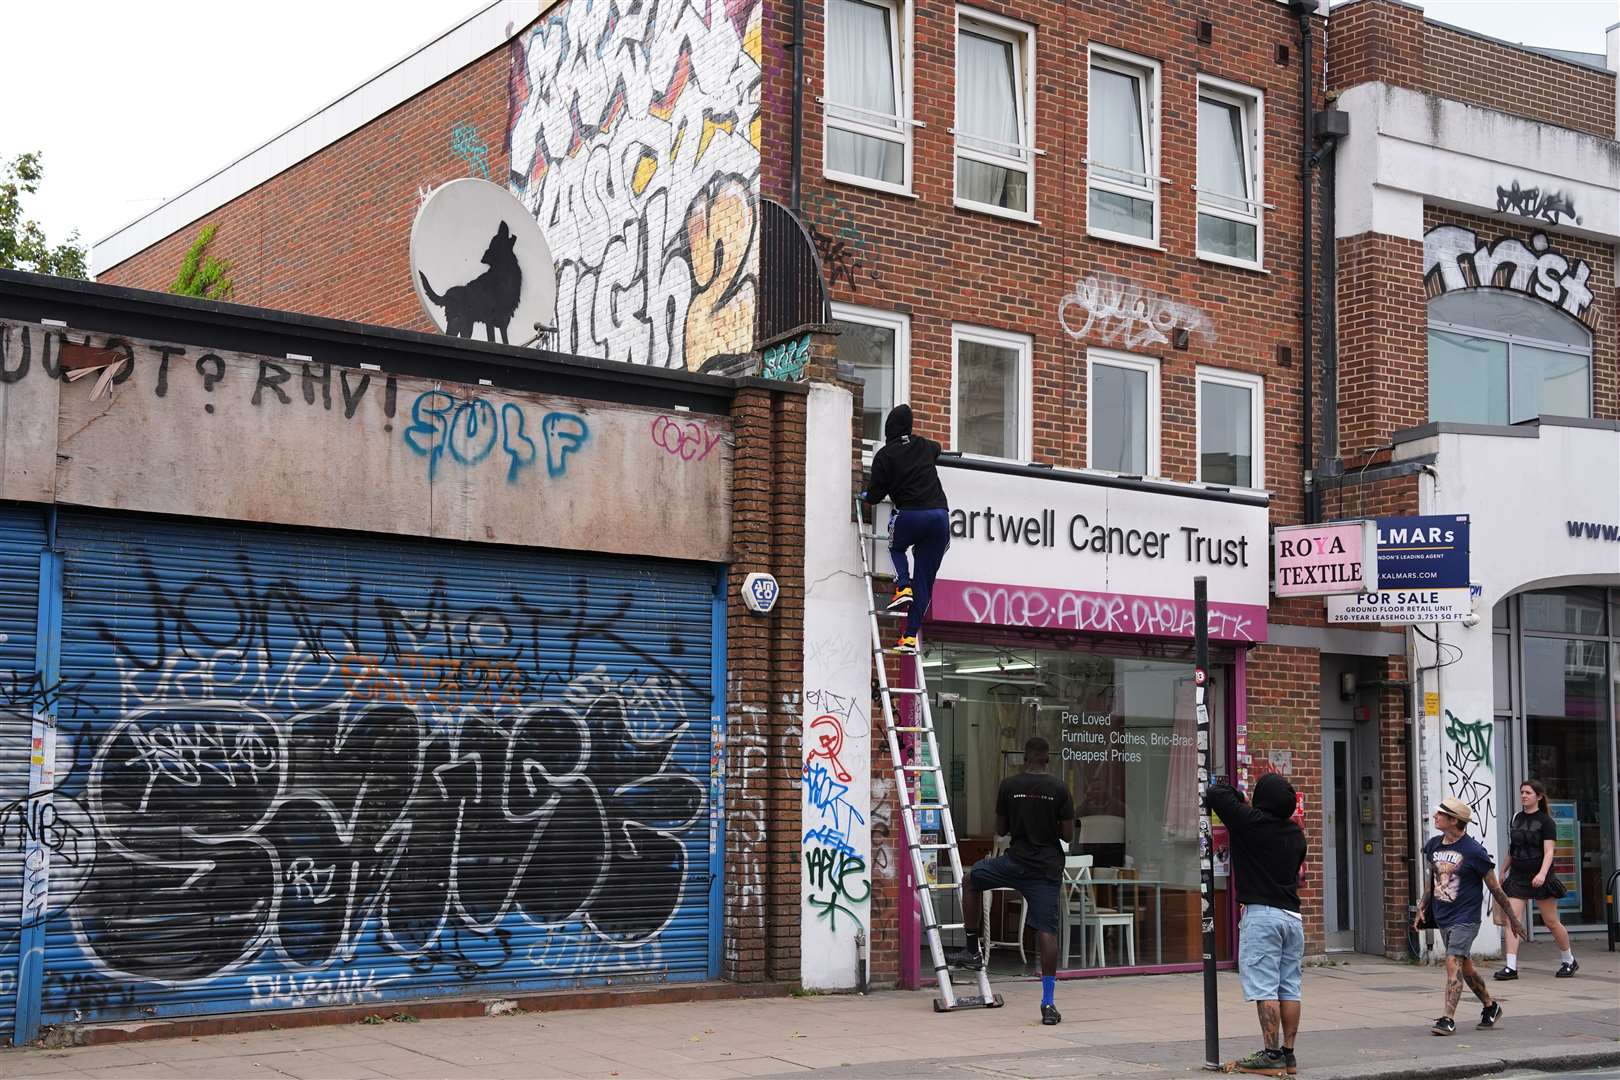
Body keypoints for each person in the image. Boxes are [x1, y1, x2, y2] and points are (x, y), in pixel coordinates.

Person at [948, 736, 1073, 1026]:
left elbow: (1001, 830)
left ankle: (971, 948)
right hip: (1046, 869)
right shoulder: (1060, 788)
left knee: (971, 880)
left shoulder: (1009, 786)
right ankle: (1048, 1003)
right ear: (1046, 759)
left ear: (1025, 757)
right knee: (1047, 932)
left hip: (1014, 863)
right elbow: (1067, 836)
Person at [1206, 773, 1307, 1077]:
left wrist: (1240, 797)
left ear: (1262, 798)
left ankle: (1271, 1055)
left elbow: (1215, 792)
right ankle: (1288, 1055)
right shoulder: (1295, 834)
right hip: (1292, 918)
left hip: (1262, 916)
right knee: (1290, 987)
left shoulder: (1249, 823)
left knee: (1266, 988)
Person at [1413, 796, 1525, 1036]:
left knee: (1452, 961)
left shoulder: (1474, 851)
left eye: (1440, 814)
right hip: (1443, 915)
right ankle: (1491, 1006)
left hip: (1466, 917)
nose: (1435, 817)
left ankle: (1447, 1019)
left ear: (1454, 821)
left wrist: (1513, 920)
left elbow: (1495, 888)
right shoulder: (1433, 845)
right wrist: (1422, 905)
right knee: (1466, 968)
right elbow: (1432, 881)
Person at [860, 403, 949, 655]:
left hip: (911, 515)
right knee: (925, 583)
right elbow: (937, 448)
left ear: (889, 429)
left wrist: (865, 494)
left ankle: (902, 585)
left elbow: (875, 496)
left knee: (896, 546)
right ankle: (909, 637)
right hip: (940, 518)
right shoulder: (924, 445)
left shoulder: (885, 456)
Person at [1495, 779, 1577, 980]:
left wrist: (1541, 874)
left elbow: (1549, 852)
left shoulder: (1547, 822)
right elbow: (1513, 849)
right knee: (1512, 920)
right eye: (1522, 792)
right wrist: (1503, 869)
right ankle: (1511, 967)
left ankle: (1569, 960)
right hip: (1518, 877)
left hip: (1541, 876)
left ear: (1539, 796)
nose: (1523, 795)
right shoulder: (1516, 818)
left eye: (1528, 793)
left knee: (1551, 922)